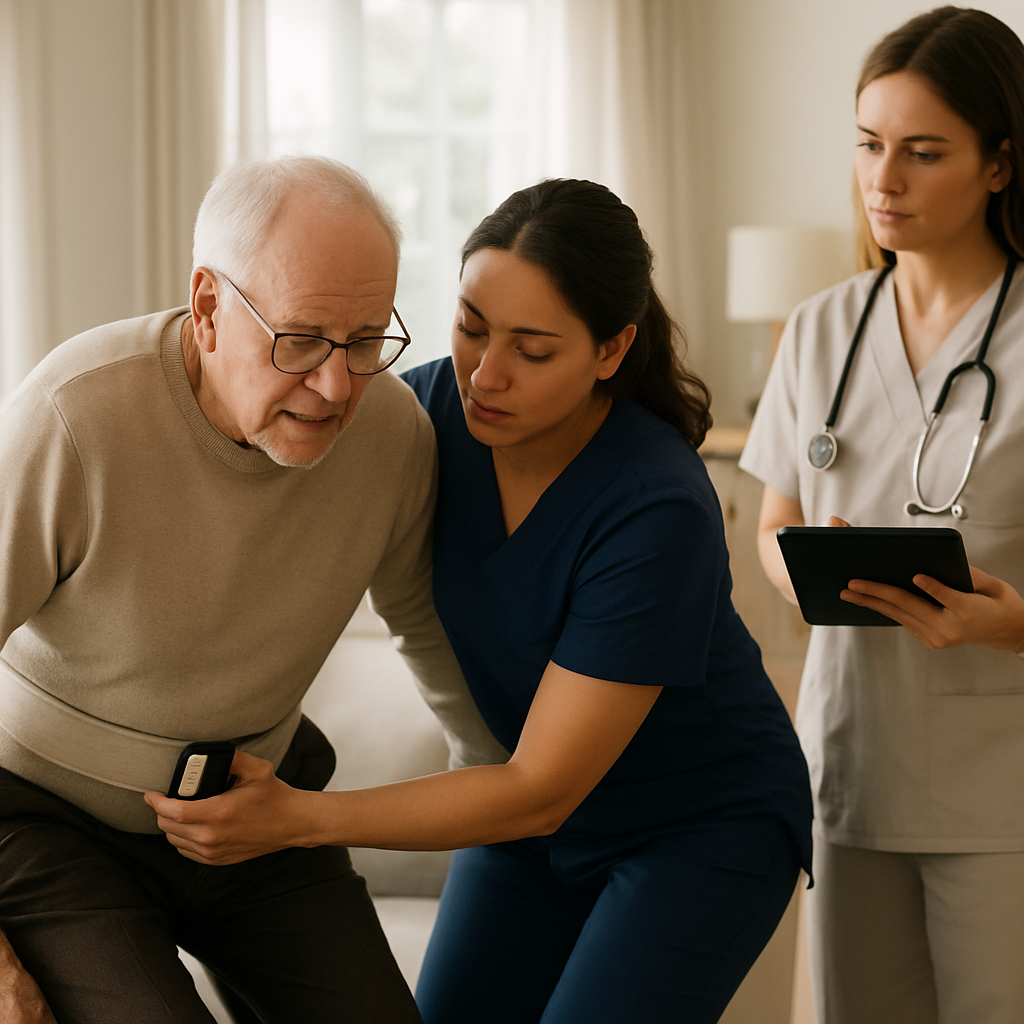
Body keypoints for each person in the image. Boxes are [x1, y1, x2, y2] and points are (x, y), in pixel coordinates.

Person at [147, 178, 814, 1024]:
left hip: (694, 824)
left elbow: (541, 786)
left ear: (611, 351)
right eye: (470, 326)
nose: (485, 375)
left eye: (532, 351)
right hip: (527, 822)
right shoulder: (415, 417)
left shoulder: (656, 505)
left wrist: (301, 819)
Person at [0, 154, 505, 1024]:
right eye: (302, 339)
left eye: (364, 341)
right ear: (206, 308)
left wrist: (512, 789)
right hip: (49, 823)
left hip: (257, 807)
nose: (335, 386)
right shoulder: (74, 415)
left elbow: (426, 634)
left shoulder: (392, 434)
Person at [739, 7, 1024, 1023]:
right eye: (867, 144)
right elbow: (774, 521)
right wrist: (807, 566)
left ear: (999, 163)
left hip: (1000, 793)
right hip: (850, 769)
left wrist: (1006, 618)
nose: (882, 180)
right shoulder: (822, 327)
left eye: (921, 151)